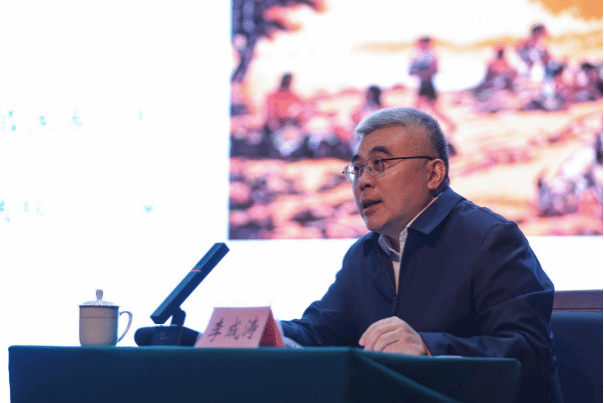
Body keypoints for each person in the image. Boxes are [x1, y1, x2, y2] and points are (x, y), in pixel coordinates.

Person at [280, 107, 563, 403]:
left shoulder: (491, 240)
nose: (362, 181)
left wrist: (428, 349)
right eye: (358, 168)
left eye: (379, 164)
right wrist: (266, 330)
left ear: (433, 174)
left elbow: (529, 354)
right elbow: (319, 332)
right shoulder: (363, 255)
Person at [408, 36, 456, 135]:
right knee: (423, 107)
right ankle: (451, 124)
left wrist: (420, 73)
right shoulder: (420, 55)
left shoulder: (430, 55)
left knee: (428, 108)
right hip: (423, 84)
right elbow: (411, 72)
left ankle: (451, 124)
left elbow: (433, 70)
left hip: (428, 84)